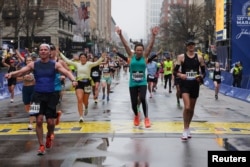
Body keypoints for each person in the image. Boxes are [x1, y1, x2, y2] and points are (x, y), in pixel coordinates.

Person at [5, 43, 77, 155]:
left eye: (45, 50)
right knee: (38, 120)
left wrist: (73, 80)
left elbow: (67, 72)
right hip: (37, 95)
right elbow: (21, 71)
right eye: (41, 50)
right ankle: (41, 145)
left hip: (51, 95)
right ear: (39, 52)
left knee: (50, 122)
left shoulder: (55, 64)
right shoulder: (34, 64)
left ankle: (49, 135)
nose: (43, 51)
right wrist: (11, 74)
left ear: (49, 52)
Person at [115, 26, 159, 128]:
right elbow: (125, 45)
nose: (139, 52)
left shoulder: (145, 56)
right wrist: (120, 34)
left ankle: (147, 118)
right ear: (134, 51)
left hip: (142, 82)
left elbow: (150, 46)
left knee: (143, 98)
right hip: (133, 83)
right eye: (137, 50)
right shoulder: (131, 56)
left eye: (141, 50)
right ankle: (136, 115)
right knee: (134, 103)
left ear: (143, 51)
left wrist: (153, 36)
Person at [59, 51, 106, 122]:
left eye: (84, 57)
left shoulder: (89, 64)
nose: (82, 59)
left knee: (85, 101)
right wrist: (60, 54)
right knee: (79, 99)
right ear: (79, 58)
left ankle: (86, 106)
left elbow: (97, 63)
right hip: (79, 83)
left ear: (86, 58)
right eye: (81, 57)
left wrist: (102, 57)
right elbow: (67, 61)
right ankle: (81, 117)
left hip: (87, 83)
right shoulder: (77, 64)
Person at [174, 39, 206, 141]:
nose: (191, 47)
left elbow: (204, 73)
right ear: (186, 46)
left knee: (191, 109)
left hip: (195, 85)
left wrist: (200, 77)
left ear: (194, 46)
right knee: (187, 107)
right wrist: (180, 74)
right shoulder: (181, 57)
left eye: (192, 45)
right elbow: (174, 72)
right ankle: (185, 129)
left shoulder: (199, 58)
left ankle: (188, 128)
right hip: (185, 84)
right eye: (189, 45)